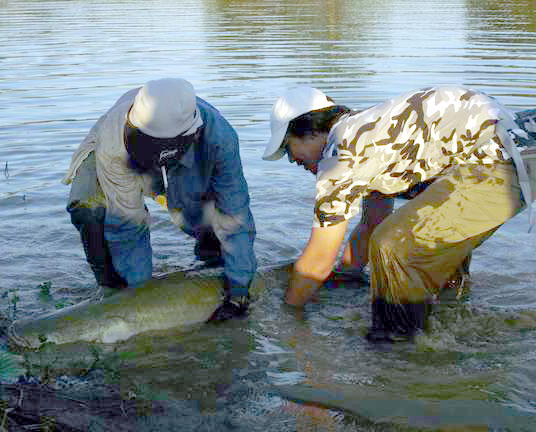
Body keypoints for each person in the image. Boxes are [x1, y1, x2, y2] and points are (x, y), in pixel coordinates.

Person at [262, 85, 536, 342]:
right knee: (414, 241)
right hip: (512, 149)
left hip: (504, 159)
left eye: (288, 149)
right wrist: (346, 278)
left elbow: (318, 258)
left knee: (395, 246)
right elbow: (371, 224)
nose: (294, 161)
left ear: (309, 131)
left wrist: (288, 316)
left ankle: (398, 353)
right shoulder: (366, 133)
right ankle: (448, 310)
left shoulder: (340, 155)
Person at [63, 78, 257, 320]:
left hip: (187, 152)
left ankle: (215, 270)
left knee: (211, 218)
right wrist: (141, 299)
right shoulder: (113, 142)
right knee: (90, 209)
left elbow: (234, 213)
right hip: (124, 155)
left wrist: (239, 292)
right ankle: (114, 292)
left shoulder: (219, 139)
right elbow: (127, 225)